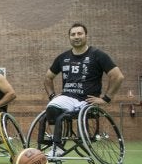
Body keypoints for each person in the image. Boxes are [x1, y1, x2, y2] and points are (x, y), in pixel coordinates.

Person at [43, 22, 124, 157]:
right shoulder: (63, 57)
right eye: (73, 34)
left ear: (86, 36)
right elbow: (47, 78)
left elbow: (118, 76)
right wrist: (52, 96)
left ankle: (83, 138)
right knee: (51, 107)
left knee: (75, 112)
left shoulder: (97, 55)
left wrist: (106, 98)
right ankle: (57, 146)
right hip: (67, 98)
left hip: (87, 100)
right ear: (69, 37)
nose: (76, 37)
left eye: (79, 33)